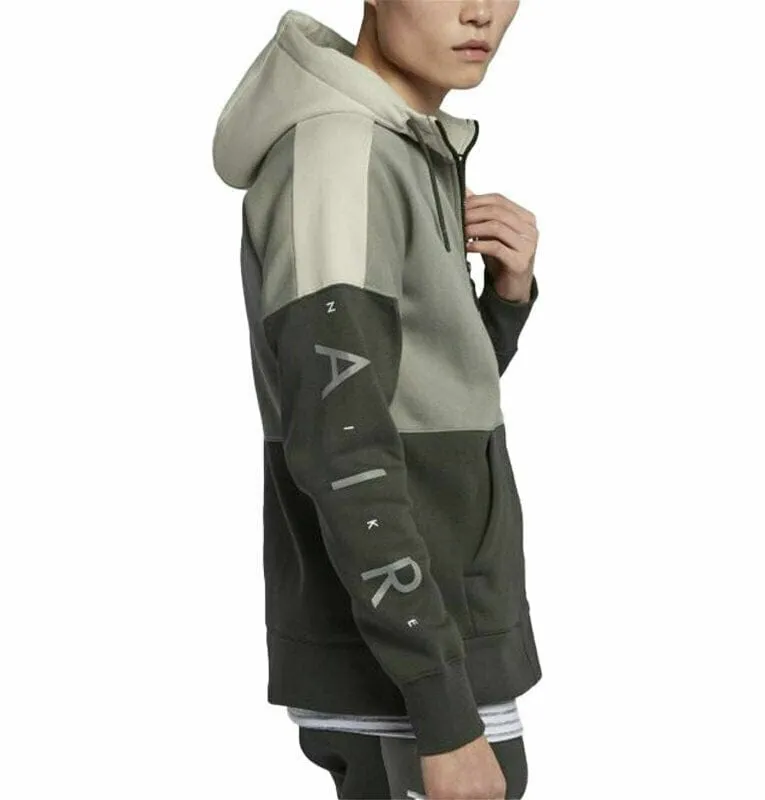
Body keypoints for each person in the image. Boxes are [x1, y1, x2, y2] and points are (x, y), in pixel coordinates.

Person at [212, 3, 542, 797]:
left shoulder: (399, 144)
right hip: (406, 682)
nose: (481, 11)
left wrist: (504, 302)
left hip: (437, 650)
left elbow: (417, 402)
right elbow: (343, 444)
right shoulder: (342, 154)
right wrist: (444, 712)